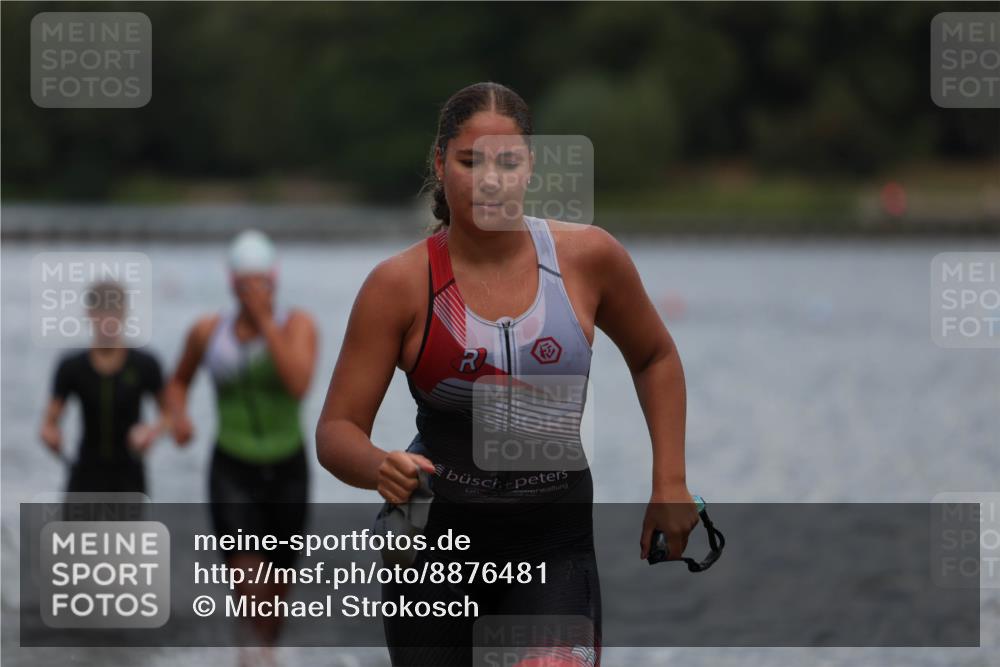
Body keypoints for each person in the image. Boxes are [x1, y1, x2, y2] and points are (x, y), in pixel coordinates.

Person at [315, 82, 699, 667]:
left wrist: (669, 481)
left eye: (508, 162)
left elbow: (655, 358)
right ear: (441, 164)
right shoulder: (399, 286)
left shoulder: (588, 259)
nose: (490, 179)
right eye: (470, 162)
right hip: (432, 544)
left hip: (551, 536)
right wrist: (379, 467)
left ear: (530, 168)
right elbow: (336, 430)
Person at [166, 230, 318, 667]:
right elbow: (177, 383)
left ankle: (256, 657)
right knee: (250, 587)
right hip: (232, 468)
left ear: (275, 281)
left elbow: (298, 383)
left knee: (276, 598)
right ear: (231, 283)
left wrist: (266, 322)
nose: (254, 292)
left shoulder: (298, 326)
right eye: (245, 284)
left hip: (287, 467)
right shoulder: (208, 331)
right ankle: (253, 657)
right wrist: (179, 417)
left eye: (262, 283)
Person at [40, 280, 169, 496]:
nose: (107, 320)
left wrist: (151, 432)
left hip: (130, 477)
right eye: (101, 312)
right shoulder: (72, 366)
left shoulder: (145, 364)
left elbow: (169, 416)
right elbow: (49, 423)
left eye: (114, 312)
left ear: (124, 313)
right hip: (84, 474)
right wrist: (51, 436)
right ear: (89, 314)